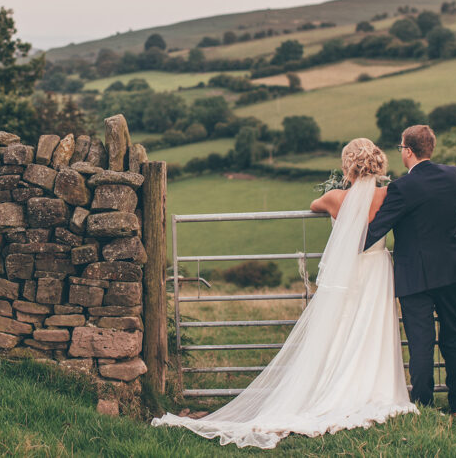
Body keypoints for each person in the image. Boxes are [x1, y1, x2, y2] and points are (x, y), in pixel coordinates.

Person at [152, 138, 417, 449]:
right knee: (372, 329)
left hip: (348, 273)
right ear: (379, 163)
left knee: (341, 328)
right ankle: (371, 387)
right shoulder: (387, 195)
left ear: (348, 166)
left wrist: (341, 189)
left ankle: (333, 385)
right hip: (377, 270)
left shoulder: (333, 198)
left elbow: (314, 207)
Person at [363, 124, 456, 419]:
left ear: (408, 151)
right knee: (455, 335)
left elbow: (377, 228)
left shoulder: (402, 187)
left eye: (401, 147)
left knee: (421, 342)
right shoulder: (453, 174)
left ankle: (424, 407)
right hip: (452, 269)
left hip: (414, 275)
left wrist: (347, 244)